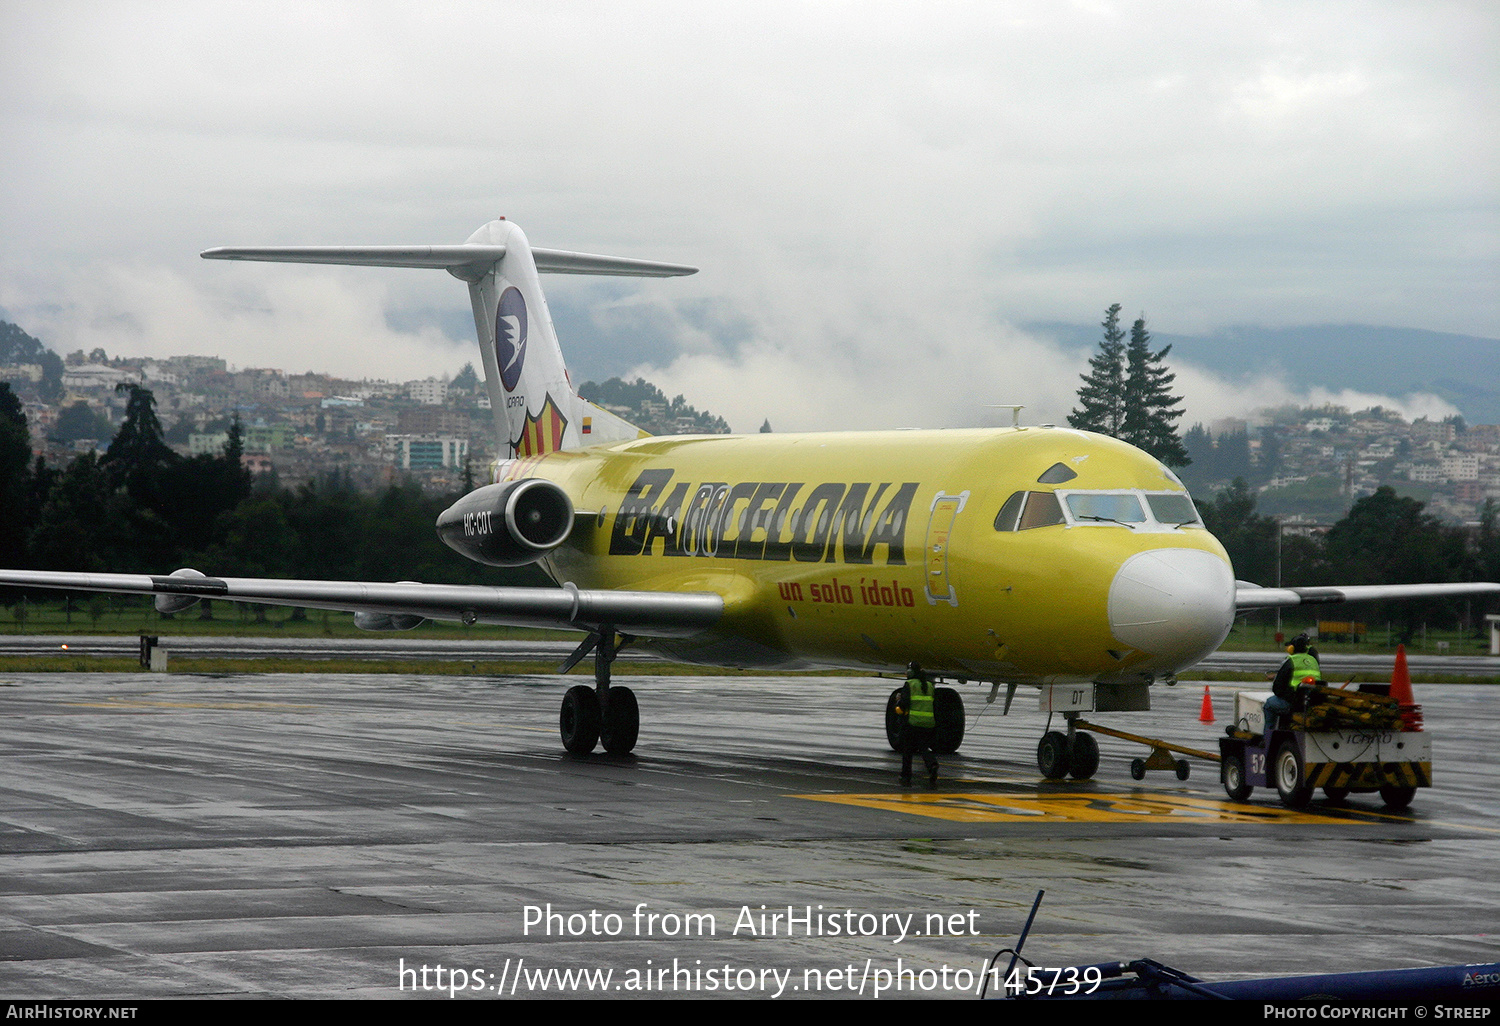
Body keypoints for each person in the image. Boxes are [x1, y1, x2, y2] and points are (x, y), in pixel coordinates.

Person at [1264, 633, 1321, 734]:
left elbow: (1277, 687)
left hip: (1294, 703)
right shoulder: (1313, 661)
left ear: (1291, 648)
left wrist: (1285, 695)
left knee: (1269, 704)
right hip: (1312, 702)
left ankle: (1268, 736)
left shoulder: (1291, 661)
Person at [897, 661, 939, 787]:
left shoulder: (910, 684)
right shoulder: (929, 686)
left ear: (910, 672)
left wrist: (898, 702)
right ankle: (932, 765)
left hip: (912, 722)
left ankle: (906, 777)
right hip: (928, 723)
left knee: (907, 751)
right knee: (924, 748)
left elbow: (903, 705)